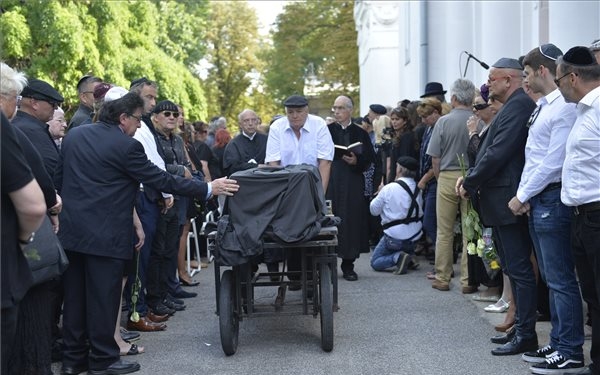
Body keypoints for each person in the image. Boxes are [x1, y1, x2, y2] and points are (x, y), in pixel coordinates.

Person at [56, 92, 239, 375]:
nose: (140, 126)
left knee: (76, 298)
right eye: (139, 120)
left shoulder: (74, 136)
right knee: (105, 299)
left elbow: (61, 179)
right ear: (123, 118)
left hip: (72, 232)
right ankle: (103, 360)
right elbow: (159, 178)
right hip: (107, 234)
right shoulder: (126, 147)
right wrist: (207, 188)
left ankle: (72, 361)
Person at [505, 44, 585, 373]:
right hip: (540, 197)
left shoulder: (563, 108)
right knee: (552, 280)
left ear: (542, 71)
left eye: (526, 73)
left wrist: (522, 194)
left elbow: (553, 161)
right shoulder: (546, 106)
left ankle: (570, 349)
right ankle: (559, 340)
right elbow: (535, 157)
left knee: (561, 279)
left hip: (551, 196)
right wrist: (525, 195)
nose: (524, 80)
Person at [457, 57, 538, 356]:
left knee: (519, 269)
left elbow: (498, 153)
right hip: (499, 201)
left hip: (507, 200)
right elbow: (489, 150)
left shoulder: (518, 106)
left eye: (493, 79)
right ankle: (521, 329)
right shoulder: (511, 106)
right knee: (512, 268)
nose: (488, 84)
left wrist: (470, 181)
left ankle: (526, 334)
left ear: (509, 80)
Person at [556, 45, 600, 375]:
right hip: (581, 216)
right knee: (593, 298)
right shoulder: (584, 110)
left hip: (597, 214)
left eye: (558, 82)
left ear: (573, 78)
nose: (558, 89)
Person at [265, 95, 334, 288]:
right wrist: (278, 197)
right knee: (288, 228)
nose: (294, 116)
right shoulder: (277, 127)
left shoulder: (319, 125)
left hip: (312, 184)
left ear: (307, 110)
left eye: (299, 112)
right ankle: (295, 275)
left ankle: (313, 278)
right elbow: (273, 164)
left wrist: (320, 196)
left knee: (313, 229)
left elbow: (325, 162)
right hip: (285, 186)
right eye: (290, 112)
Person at [426, 78, 476, 293]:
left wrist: (439, 178)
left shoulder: (443, 122)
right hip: (471, 177)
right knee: (469, 231)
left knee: (444, 231)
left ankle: (443, 277)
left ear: (453, 98)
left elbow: (434, 157)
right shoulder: (477, 120)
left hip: (446, 176)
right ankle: (468, 280)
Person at [328, 95, 376, 281]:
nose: (337, 112)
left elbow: (370, 159)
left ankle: (348, 265)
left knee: (351, 220)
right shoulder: (327, 130)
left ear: (350, 110)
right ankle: (328, 265)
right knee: (331, 217)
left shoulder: (361, 133)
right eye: (335, 108)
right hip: (332, 179)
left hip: (352, 181)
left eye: (341, 108)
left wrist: (357, 160)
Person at [369, 156, 423, 275]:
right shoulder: (419, 189)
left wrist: (380, 192)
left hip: (394, 237)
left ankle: (398, 257)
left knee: (375, 262)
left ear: (399, 170)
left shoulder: (388, 188)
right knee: (403, 240)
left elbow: (373, 210)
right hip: (414, 237)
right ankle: (410, 256)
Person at [12, 78, 64, 177]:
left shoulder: (17, 124)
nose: (56, 108)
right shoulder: (32, 130)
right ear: (34, 103)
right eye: (53, 104)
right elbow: (51, 168)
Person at [416, 98, 442, 265]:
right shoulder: (429, 128)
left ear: (436, 113)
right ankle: (442, 257)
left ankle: (443, 258)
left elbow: (438, 160)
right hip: (429, 179)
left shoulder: (439, 128)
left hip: (435, 180)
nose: (423, 120)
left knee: (430, 221)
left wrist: (424, 180)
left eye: (426, 116)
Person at [223, 109, 268, 176]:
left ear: (257, 122)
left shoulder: (266, 140)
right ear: (240, 124)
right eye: (246, 121)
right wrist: (257, 166)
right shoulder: (233, 144)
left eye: (253, 120)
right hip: (243, 182)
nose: (250, 123)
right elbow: (232, 166)